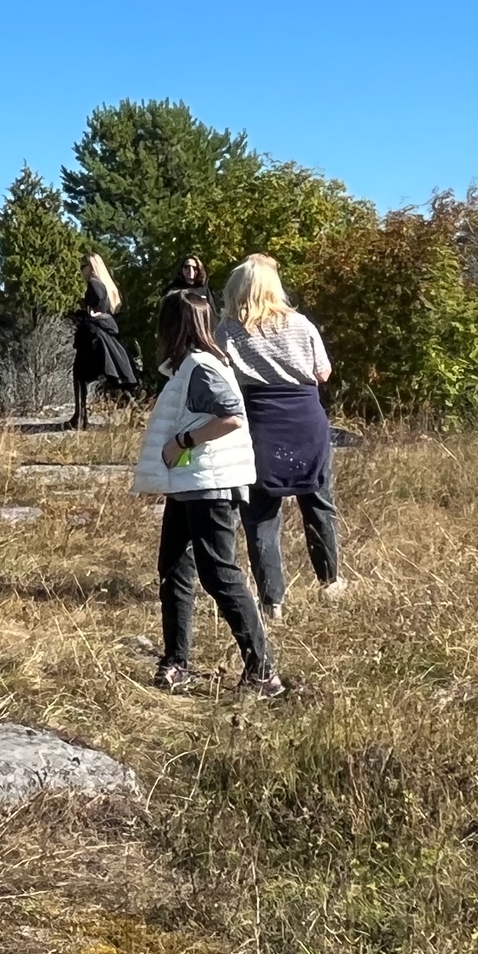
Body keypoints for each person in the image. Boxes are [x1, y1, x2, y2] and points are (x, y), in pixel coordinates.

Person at [135, 289, 281, 697]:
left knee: (219, 574)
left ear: (173, 326)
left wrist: (182, 441)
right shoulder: (189, 367)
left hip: (210, 487)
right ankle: (176, 661)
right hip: (190, 484)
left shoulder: (201, 367)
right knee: (174, 571)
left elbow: (232, 416)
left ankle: (263, 672)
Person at [218, 254, 345, 616]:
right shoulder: (301, 324)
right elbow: (323, 373)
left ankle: (271, 600)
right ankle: (330, 582)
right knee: (318, 502)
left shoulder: (227, 330)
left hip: (260, 423)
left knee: (260, 515)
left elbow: (221, 377)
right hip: (305, 419)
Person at [71, 254, 141, 429]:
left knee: (80, 374)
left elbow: (97, 301)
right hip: (104, 330)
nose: (81, 270)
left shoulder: (94, 283)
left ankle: (80, 418)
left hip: (94, 334)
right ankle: (135, 411)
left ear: (91, 266)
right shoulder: (106, 283)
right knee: (112, 374)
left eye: (83, 265)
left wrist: (89, 311)